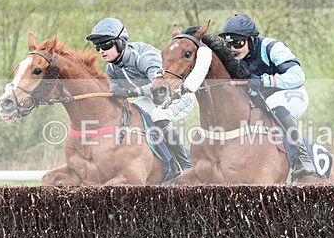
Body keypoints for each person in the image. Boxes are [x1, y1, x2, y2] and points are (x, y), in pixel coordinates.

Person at [86, 17, 194, 181]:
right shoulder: (111, 67)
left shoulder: (144, 57)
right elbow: (114, 92)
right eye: (98, 46)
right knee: (131, 114)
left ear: (121, 42)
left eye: (106, 45)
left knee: (158, 115)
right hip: (150, 99)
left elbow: (159, 87)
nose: (101, 50)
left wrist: (130, 92)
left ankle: (183, 164)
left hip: (176, 95)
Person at [218, 13, 315, 181]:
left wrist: (263, 81)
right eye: (229, 44)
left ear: (251, 39)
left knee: (273, 101)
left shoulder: (272, 47)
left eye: (238, 43)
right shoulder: (234, 56)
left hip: (293, 94)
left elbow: (298, 76)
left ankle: (302, 157)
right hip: (262, 99)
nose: (233, 49)